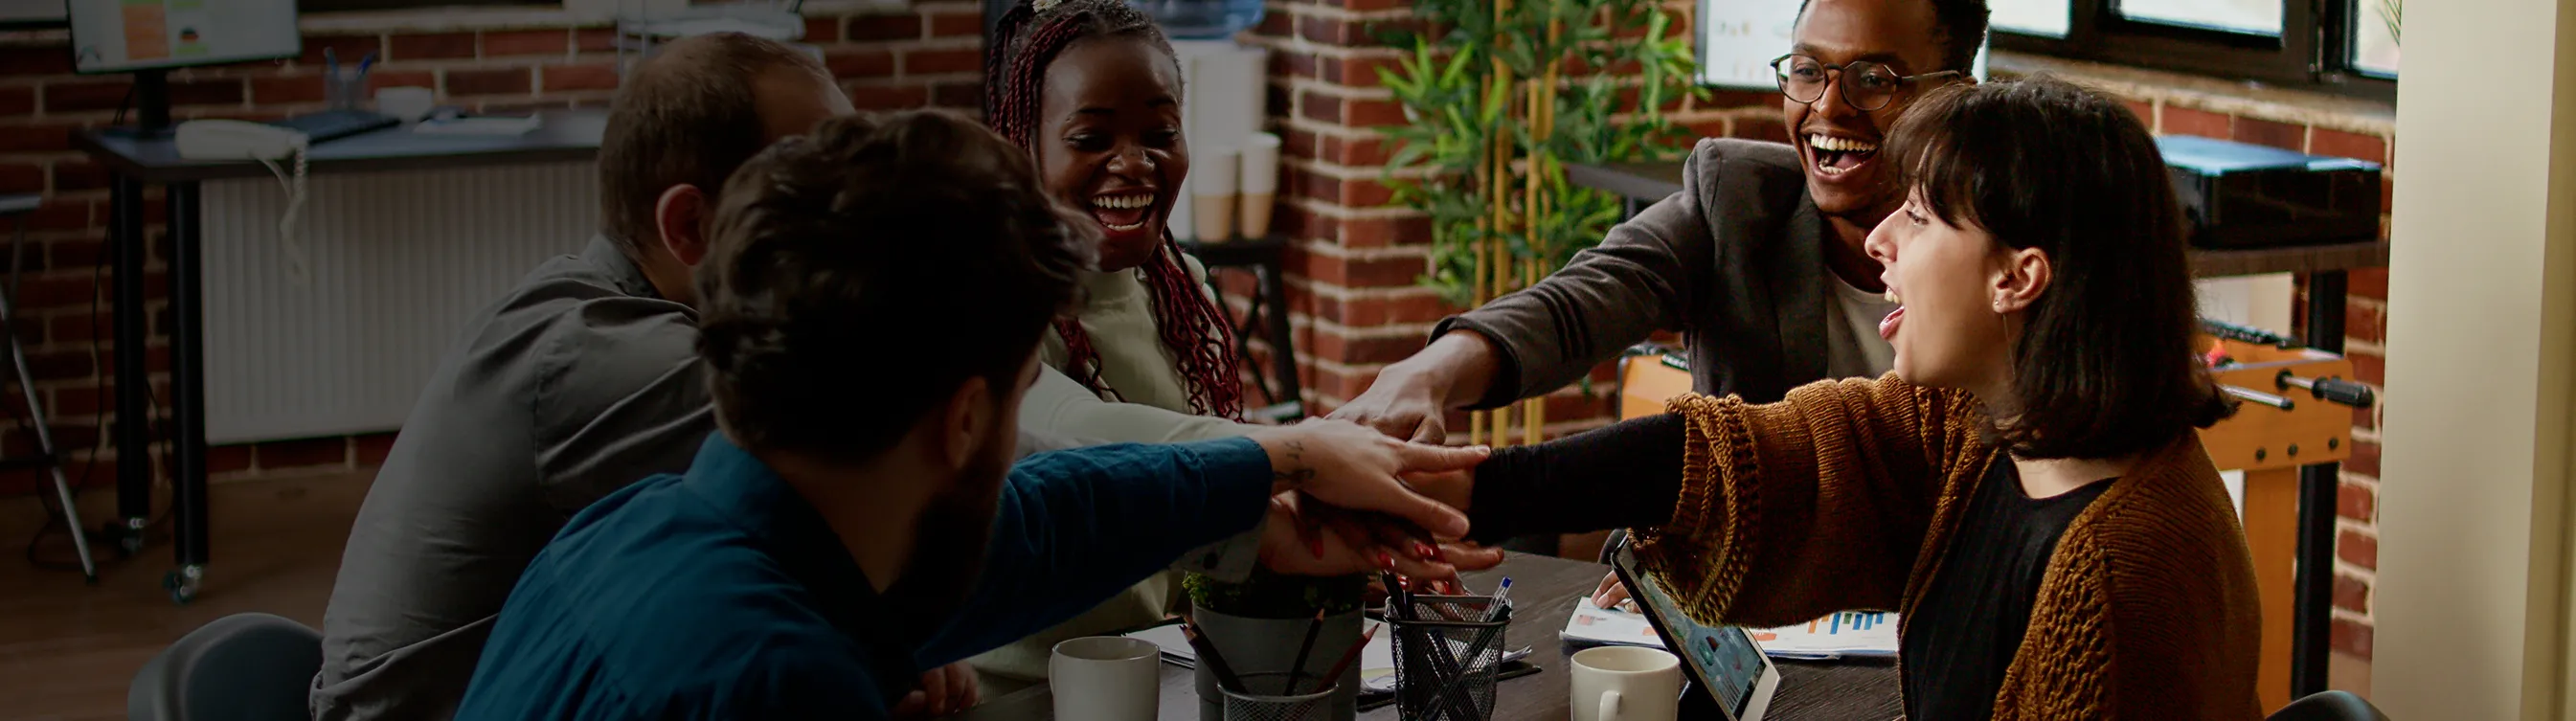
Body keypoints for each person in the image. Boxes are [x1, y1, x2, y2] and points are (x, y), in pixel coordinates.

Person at [452, 109, 1494, 719]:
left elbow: (1041, 524)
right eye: (1013, 406)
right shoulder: (778, 680)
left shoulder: (624, 529)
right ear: (960, 421)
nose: (1015, 451)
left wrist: (1291, 456)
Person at [1448, 78, 2263, 718]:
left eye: (1918, 216)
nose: (1880, 240)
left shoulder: (2116, 577)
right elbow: (1757, 458)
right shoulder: (1989, 429)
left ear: (2019, 276)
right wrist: (1466, 492)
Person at [307, 34, 1006, 720]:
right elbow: (927, 452)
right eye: (821, 195)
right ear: (692, 225)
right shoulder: (611, 358)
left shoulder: (591, 304)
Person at [963, 0, 1284, 686]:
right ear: (1023, 141)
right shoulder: (993, 302)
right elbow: (1080, 436)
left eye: (1161, 133)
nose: (1134, 163)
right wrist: (1289, 458)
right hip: (1011, 691)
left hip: (1153, 671)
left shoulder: (1180, 286)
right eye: (1091, 139)